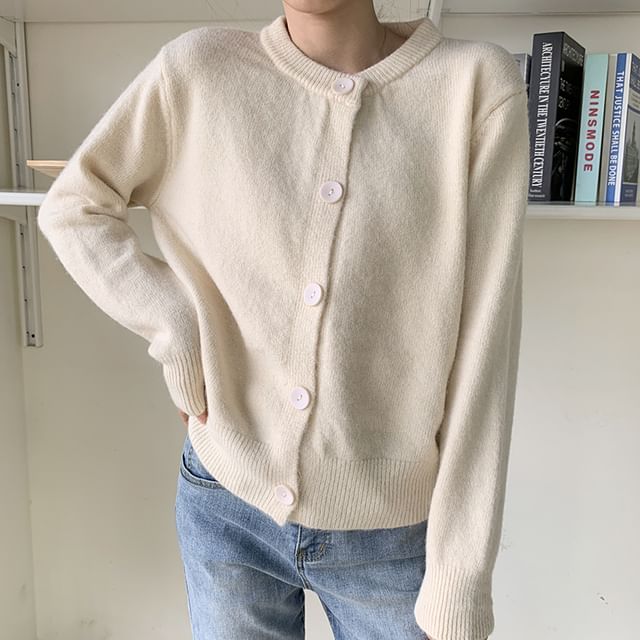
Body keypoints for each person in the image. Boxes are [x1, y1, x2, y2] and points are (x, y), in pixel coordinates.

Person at [37, 0, 529, 638]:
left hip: (394, 538)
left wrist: (460, 575)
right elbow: (75, 206)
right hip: (226, 502)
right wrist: (176, 327)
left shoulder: (475, 86)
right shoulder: (200, 70)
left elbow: (487, 348)